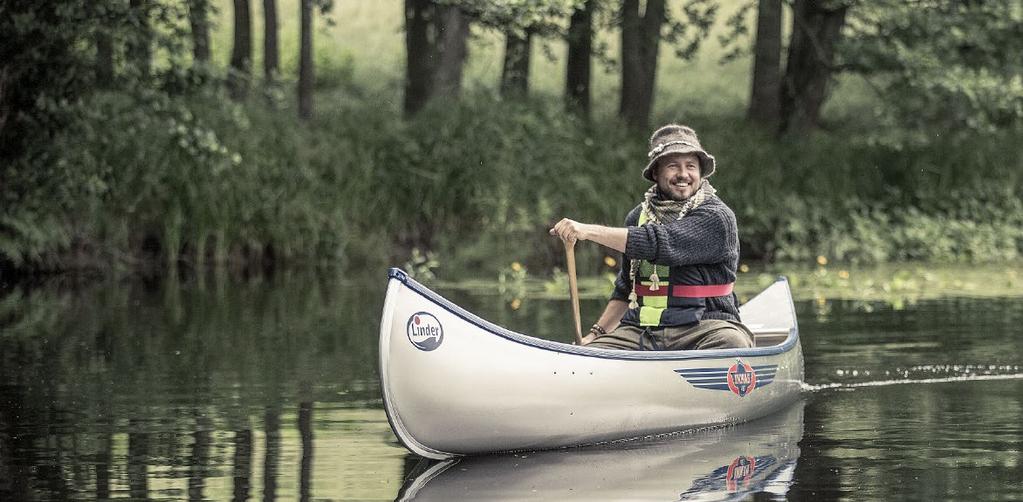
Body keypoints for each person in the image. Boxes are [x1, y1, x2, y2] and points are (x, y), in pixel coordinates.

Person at [549, 124, 753, 350]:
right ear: (656, 172)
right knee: (589, 352)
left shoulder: (718, 217)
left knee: (733, 342)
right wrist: (595, 334)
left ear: (700, 172)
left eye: (691, 166)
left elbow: (658, 242)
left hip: (705, 327)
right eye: (673, 166)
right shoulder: (638, 217)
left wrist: (587, 231)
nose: (683, 174)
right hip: (642, 332)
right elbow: (626, 289)